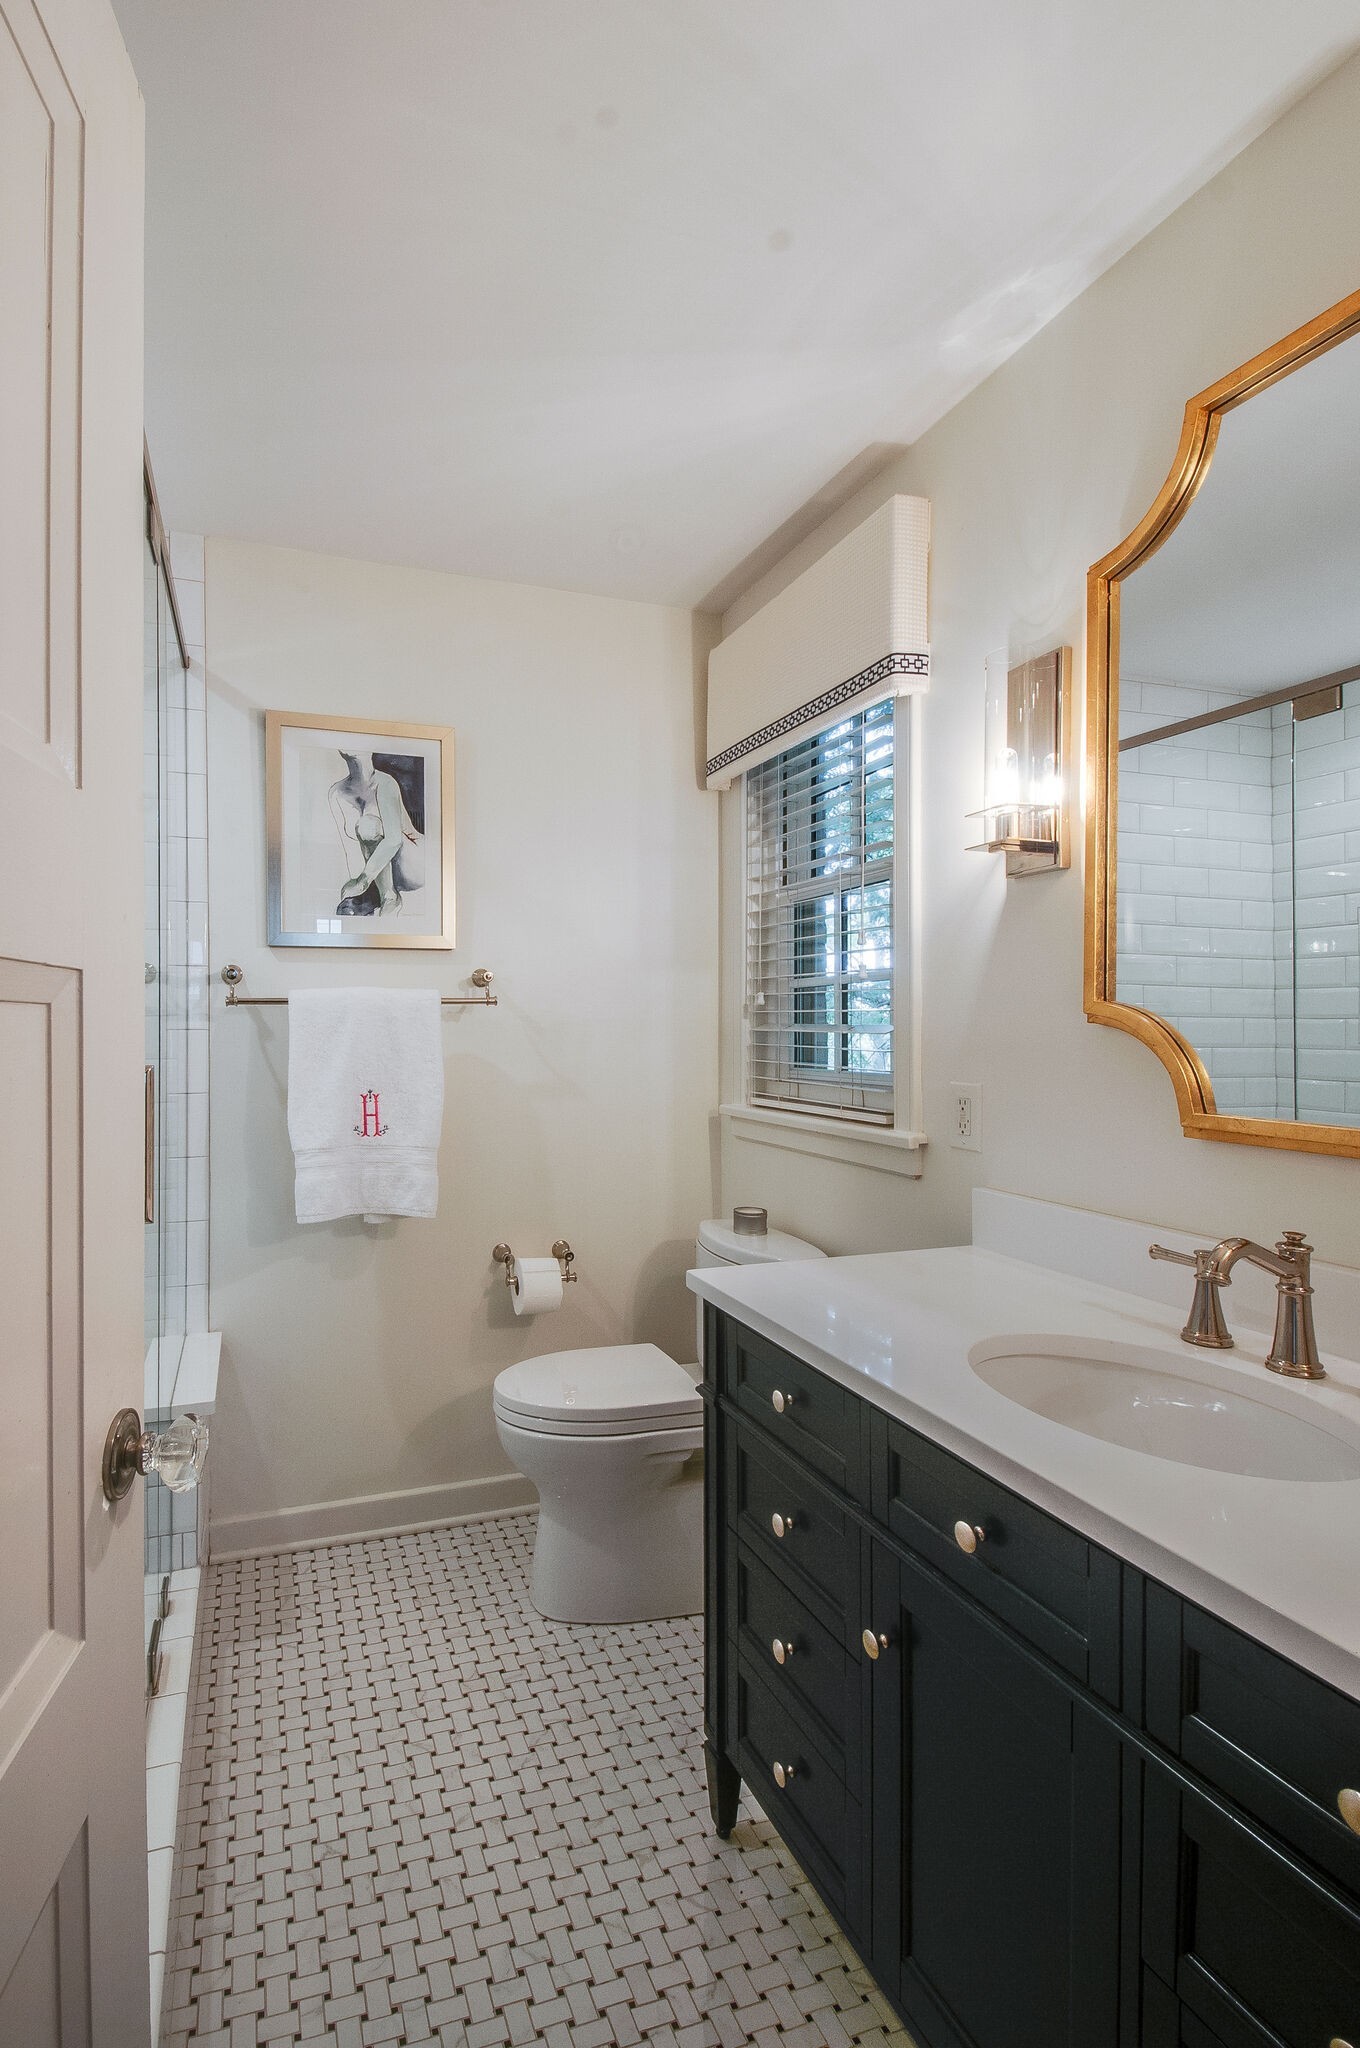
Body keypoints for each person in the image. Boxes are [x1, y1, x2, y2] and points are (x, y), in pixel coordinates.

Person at [329, 751, 424, 916]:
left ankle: (390, 897)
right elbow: (348, 847)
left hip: (412, 862)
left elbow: (394, 840)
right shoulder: (336, 793)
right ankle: (379, 895)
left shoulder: (385, 782)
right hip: (379, 873)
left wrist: (362, 881)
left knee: (368, 826)